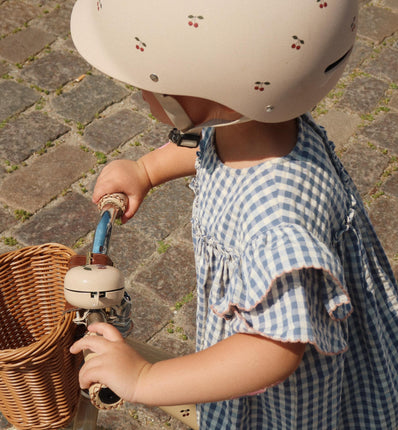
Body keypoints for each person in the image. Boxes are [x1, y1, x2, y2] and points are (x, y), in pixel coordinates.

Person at [69, 1, 398, 428]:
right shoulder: (263, 122)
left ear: (202, 87)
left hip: (290, 400)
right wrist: (146, 170)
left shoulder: (275, 223)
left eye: (144, 84)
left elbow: (271, 351)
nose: (141, 93)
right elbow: (210, 146)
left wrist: (145, 376)